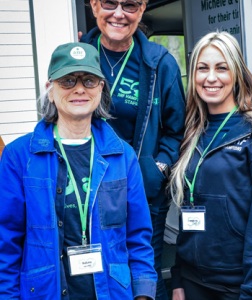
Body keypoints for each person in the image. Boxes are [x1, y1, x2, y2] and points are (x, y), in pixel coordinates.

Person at [0, 42, 157, 299]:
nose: (80, 89)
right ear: (50, 90)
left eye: (89, 80)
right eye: (68, 81)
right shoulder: (19, 156)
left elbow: (138, 236)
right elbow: (6, 242)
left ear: (101, 88)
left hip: (112, 292)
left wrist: (143, 293)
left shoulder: (122, 155)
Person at [168, 31, 252, 300]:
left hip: (238, 288)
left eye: (221, 68)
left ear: (236, 73)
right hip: (191, 283)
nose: (210, 78)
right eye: (202, 68)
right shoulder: (192, 131)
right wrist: (178, 278)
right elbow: (188, 210)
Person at [80, 1, 186, 299]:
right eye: (110, 3)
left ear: (141, 10)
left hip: (143, 191)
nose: (119, 13)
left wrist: (157, 169)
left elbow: (178, 130)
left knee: (144, 270)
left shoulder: (159, 62)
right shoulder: (79, 56)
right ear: (94, 5)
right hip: (87, 190)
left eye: (129, 5)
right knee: (95, 272)